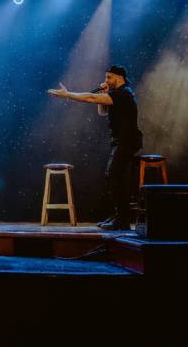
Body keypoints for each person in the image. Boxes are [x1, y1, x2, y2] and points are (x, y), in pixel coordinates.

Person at [48, 64, 143, 231]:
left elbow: (90, 98)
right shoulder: (115, 94)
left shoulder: (123, 93)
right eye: (106, 77)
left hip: (127, 141)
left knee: (114, 175)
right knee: (114, 177)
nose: (105, 80)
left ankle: (122, 220)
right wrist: (103, 94)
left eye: (109, 77)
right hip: (120, 140)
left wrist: (68, 94)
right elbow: (102, 111)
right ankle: (118, 216)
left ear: (119, 78)